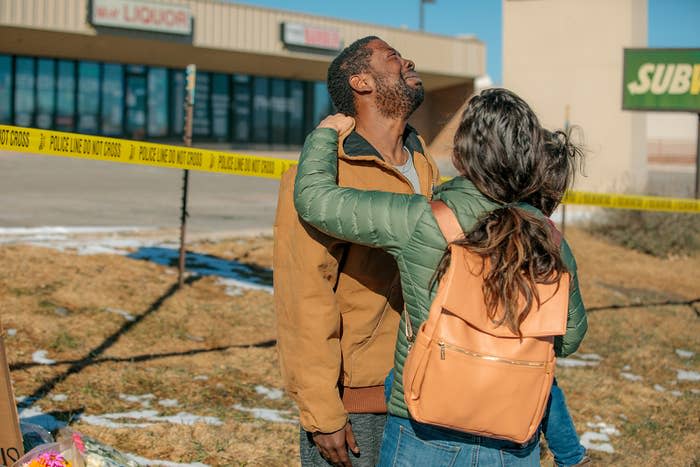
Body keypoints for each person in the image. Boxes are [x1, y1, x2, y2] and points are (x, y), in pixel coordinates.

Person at [293, 88, 589, 466]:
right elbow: (569, 339)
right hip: (514, 436)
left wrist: (324, 134)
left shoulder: (425, 220)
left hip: (424, 430)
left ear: (463, 152)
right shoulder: (551, 240)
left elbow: (316, 201)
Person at [274, 36, 439, 467]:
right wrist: (322, 411)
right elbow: (303, 297)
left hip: (429, 392)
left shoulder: (424, 164)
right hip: (359, 405)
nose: (408, 61)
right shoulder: (323, 176)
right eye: (392, 57)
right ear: (361, 81)